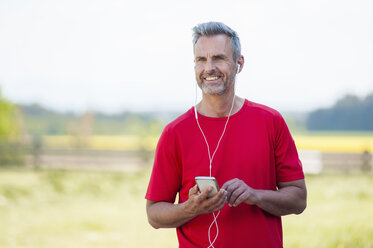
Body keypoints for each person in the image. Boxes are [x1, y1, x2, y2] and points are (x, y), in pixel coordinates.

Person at [145, 21, 307, 248]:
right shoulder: (175, 132)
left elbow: (298, 199)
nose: (208, 67)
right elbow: (153, 214)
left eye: (218, 58)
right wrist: (190, 208)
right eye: (201, 60)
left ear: (239, 63)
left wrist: (255, 195)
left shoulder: (271, 122)